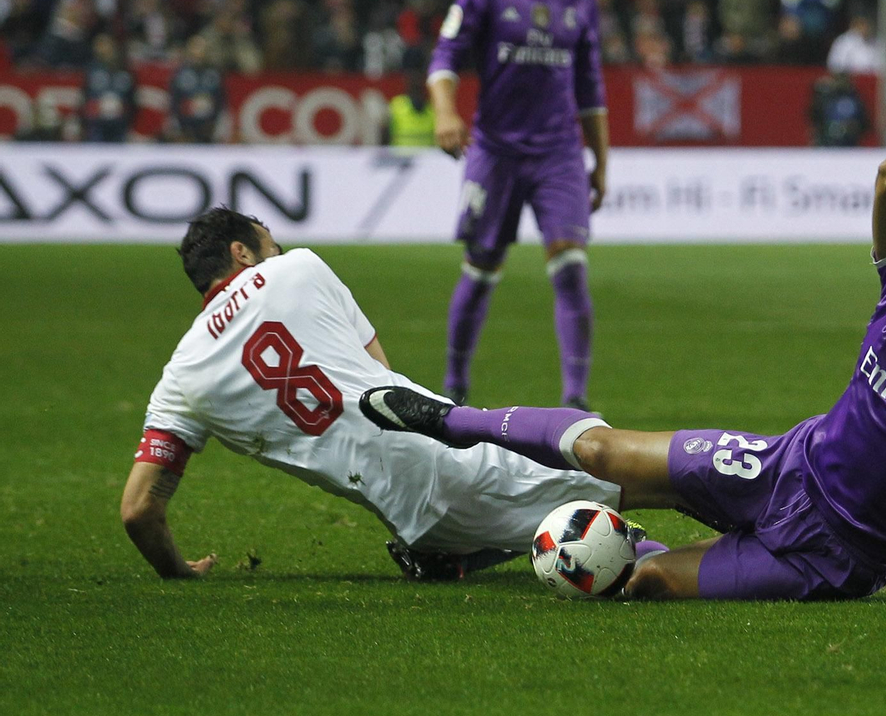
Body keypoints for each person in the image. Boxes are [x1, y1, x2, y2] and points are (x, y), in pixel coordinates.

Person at [360, 54, 886, 615]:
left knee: (642, 579)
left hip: (833, 560)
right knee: (604, 452)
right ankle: (444, 417)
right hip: (781, 468)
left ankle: (514, 546)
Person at [120, 208, 642, 582]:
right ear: (241, 252)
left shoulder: (181, 375)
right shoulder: (298, 267)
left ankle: (455, 557)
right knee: (625, 481)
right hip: (448, 459)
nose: (276, 250)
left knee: (554, 513)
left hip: (409, 517)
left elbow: (138, 510)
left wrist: (178, 572)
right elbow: (382, 379)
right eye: (268, 242)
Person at [426, 0, 607, 408]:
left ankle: (575, 402)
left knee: (570, 267)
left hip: (558, 154)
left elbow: (590, 88)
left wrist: (600, 163)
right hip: (496, 152)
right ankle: (455, 388)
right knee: (481, 268)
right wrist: (445, 111)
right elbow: (445, 57)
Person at [166, 34, 224, 143]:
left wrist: (217, 125)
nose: (198, 52)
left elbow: (220, 100)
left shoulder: (214, 73)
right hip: (186, 125)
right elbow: (174, 100)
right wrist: (177, 124)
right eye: (195, 47)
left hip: (208, 126)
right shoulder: (180, 74)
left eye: (202, 48)